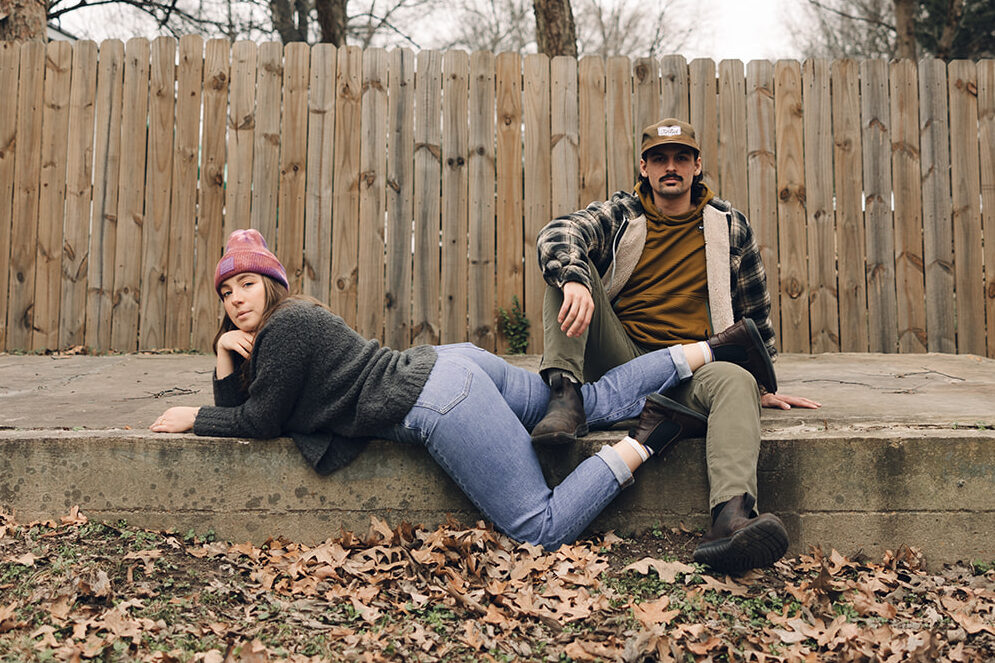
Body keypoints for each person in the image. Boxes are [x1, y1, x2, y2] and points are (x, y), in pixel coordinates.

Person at [151, 229, 781, 554]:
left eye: (247, 285)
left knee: (540, 528)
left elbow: (258, 421)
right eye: (226, 292)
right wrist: (224, 357)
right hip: (451, 365)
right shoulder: (284, 326)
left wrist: (193, 417)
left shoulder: (286, 329)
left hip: (438, 398)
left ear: (272, 285)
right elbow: (249, 407)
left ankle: (651, 436)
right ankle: (719, 347)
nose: (236, 300)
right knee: (585, 403)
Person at [532, 118, 821, 572]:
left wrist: (762, 383)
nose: (671, 167)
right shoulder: (622, 215)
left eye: (681, 158)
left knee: (736, 380)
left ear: (697, 165)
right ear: (643, 167)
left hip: (693, 368)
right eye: (660, 159)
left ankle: (730, 519)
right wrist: (573, 277)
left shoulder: (728, 226)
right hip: (624, 361)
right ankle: (566, 397)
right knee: (568, 272)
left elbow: (753, 311)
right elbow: (559, 232)